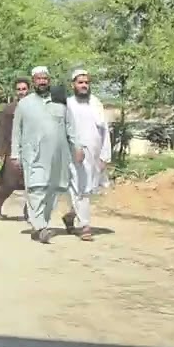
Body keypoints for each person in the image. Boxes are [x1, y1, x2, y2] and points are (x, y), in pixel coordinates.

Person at [9, 66, 78, 244]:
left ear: (49, 80)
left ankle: (41, 224)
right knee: (36, 189)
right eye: (38, 78)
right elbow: (17, 131)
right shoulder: (25, 104)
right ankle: (39, 226)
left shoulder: (60, 102)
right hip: (33, 155)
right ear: (33, 82)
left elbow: (70, 127)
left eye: (44, 78)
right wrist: (15, 155)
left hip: (57, 157)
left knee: (52, 192)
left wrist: (77, 147)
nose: (42, 81)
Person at [62, 68, 111, 241]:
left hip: (95, 155)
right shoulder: (67, 104)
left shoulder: (96, 103)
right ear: (73, 84)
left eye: (86, 82)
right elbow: (64, 132)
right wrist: (74, 148)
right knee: (79, 188)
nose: (84, 85)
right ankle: (85, 226)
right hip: (75, 154)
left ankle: (70, 216)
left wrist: (105, 156)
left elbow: (105, 130)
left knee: (87, 190)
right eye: (80, 82)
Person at [0, 77, 31, 220]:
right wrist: (1, 152)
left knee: (33, 183)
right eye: (19, 89)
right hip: (12, 149)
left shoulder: (36, 107)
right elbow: (3, 132)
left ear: (29, 89)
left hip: (32, 150)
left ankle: (30, 211)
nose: (22, 92)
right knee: (10, 182)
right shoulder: (9, 110)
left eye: (24, 89)